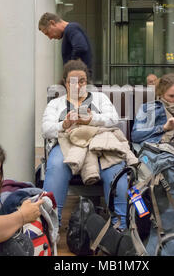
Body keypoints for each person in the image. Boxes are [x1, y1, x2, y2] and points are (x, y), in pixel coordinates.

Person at [41, 59, 128, 229]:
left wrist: (92, 119)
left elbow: (113, 119)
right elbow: (46, 130)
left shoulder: (100, 98)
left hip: (99, 143)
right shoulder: (56, 104)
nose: (78, 85)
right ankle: (51, 227)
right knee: (57, 166)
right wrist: (63, 125)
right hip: (68, 144)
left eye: (82, 81)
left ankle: (120, 227)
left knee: (115, 168)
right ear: (65, 83)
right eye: (72, 81)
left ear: (86, 82)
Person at [131, 73, 174, 161]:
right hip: (159, 154)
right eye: (171, 96)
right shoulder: (148, 109)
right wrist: (164, 128)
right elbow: (136, 136)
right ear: (161, 94)